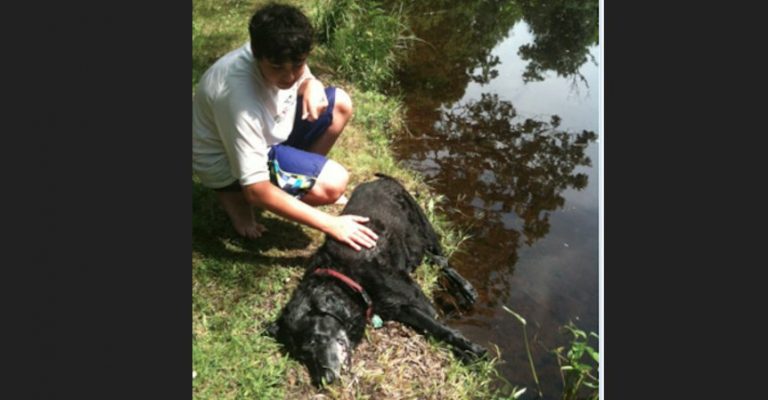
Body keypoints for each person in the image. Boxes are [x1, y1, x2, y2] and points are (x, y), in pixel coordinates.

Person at [192, 3, 378, 251]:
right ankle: (232, 196)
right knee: (334, 183)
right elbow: (256, 190)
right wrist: (331, 224)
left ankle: (300, 181)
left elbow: (298, 74)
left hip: (267, 133)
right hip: (224, 162)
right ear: (256, 55)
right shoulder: (238, 96)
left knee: (339, 103)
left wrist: (310, 82)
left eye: (298, 65)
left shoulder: (278, 49)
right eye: (277, 68)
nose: (289, 77)